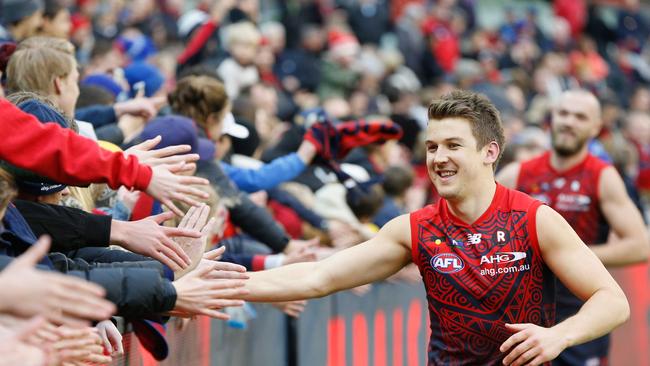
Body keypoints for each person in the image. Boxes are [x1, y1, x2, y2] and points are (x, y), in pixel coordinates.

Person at [241, 90, 629, 365]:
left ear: (489, 152)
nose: (439, 158)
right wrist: (215, 288)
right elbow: (318, 278)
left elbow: (612, 300)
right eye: (431, 147)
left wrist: (558, 335)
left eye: (453, 146)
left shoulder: (534, 219)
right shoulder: (415, 229)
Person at [497, 89, 649, 366]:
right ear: (551, 119)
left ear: (595, 127)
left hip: (581, 318)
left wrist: (571, 258)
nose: (569, 122)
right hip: (522, 318)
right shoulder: (518, 174)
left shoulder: (601, 176)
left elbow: (641, 246)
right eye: (563, 114)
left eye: (580, 117)